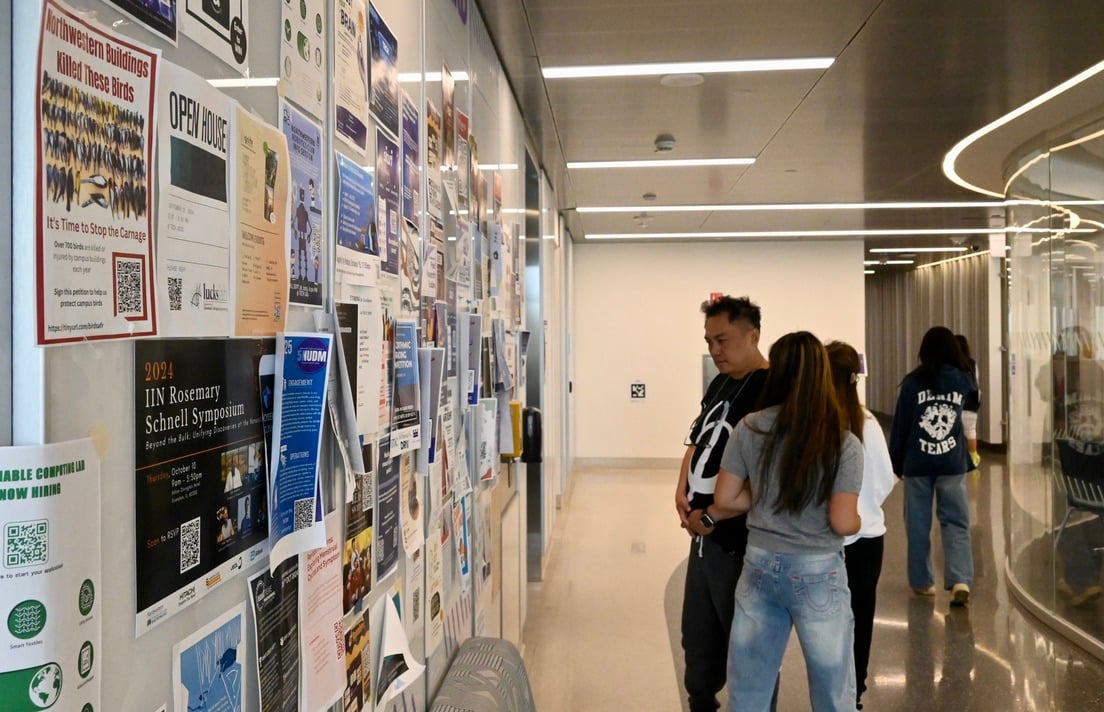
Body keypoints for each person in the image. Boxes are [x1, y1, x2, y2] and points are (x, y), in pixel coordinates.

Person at [689, 331, 863, 712]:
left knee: (749, 689)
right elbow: (842, 521)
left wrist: (769, 493)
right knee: (833, 688)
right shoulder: (842, 441)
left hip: (759, 567)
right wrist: (857, 520)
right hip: (819, 571)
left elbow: (726, 499)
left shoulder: (749, 427)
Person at [675, 295, 770, 712]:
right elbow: (700, 436)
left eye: (723, 340)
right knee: (698, 645)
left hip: (739, 545)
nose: (714, 350)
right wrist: (683, 488)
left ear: (753, 335)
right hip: (703, 540)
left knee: (747, 652)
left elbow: (769, 480)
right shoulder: (721, 383)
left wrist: (712, 515)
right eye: (709, 341)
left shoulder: (771, 390)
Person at [826, 341, 897, 710]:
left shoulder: (817, 421)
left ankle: (829, 693)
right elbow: (886, 480)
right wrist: (866, 506)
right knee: (861, 619)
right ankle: (854, 694)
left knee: (824, 626)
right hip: (867, 539)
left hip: (825, 543)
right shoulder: (867, 422)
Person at [889, 326, 977, 605]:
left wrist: (895, 462)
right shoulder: (963, 381)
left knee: (917, 524)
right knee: (956, 522)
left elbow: (900, 426)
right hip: (952, 462)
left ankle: (922, 582)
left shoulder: (913, 383)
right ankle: (960, 579)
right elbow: (971, 413)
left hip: (917, 463)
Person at [955, 334, 982, 467]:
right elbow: (975, 382)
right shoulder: (972, 363)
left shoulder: (950, 363)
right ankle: (973, 458)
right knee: (971, 431)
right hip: (971, 403)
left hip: (955, 402)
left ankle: (957, 458)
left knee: (954, 432)